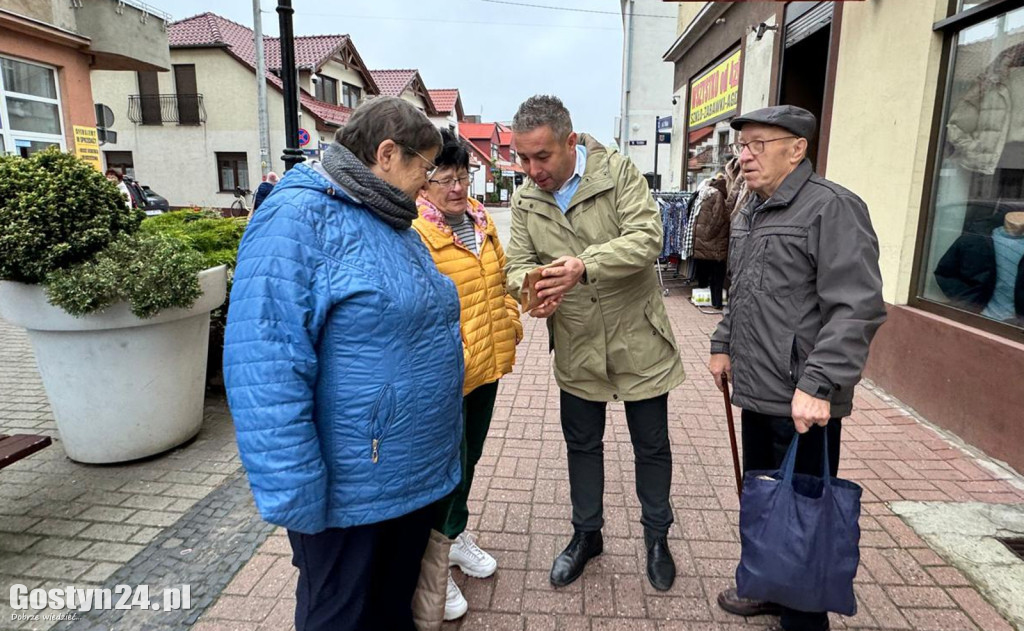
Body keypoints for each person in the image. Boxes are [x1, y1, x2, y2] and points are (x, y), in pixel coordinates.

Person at [223, 96, 464, 631]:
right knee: (341, 615)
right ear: (385, 154)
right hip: (348, 490)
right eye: (424, 167)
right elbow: (265, 367)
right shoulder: (296, 219)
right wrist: (295, 490)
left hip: (407, 478)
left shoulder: (390, 219)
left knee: (390, 609)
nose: (428, 183)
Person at [709, 105, 886, 631]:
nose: (745, 155)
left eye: (759, 144)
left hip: (804, 398)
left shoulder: (832, 208)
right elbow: (741, 292)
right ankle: (768, 584)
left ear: (797, 148)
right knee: (765, 497)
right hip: (758, 389)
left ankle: (804, 619)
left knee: (805, 513)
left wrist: (819, 383)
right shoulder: (750, 210)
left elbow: (857, 306)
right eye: (742, 145)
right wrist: (723, 342)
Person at [504, 95, 685, 592]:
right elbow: (515, 264)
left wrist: (585, 265)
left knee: (652, 446)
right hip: (578, 342)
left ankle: (656, 538)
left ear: (570, 142)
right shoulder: (524, 200)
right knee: (581, 445)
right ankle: (587, 535)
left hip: (637, 338)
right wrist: (531, 292)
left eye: (541, 157)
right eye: (522, 157)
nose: (531, 169)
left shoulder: (619, 173)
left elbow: (649, 237)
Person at [410, 129, 523, 624]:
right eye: (444, 178)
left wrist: (512, 322)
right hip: (442, 379)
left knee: (470, 459)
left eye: (462, 176)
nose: (457, 188)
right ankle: (432, 564)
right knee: (444, 468)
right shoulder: (415, 232)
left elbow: (500, 283)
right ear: (423, 181)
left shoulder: (481, 222)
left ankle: (453, 538)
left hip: (486, 368)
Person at [691, 173, 730, 313]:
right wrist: (710, 234)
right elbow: (718, 218)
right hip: (716, 241)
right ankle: (716, 302)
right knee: (718, 273)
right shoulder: (718, 195)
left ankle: (712, 299)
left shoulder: (704, 194)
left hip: (707, 241)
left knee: (709, 272)